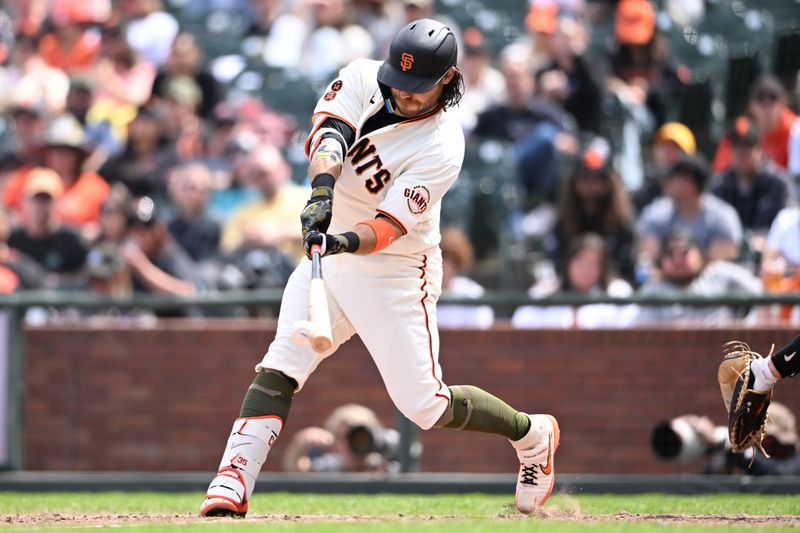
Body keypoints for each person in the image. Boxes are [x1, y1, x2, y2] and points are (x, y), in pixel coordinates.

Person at [200, 19, 560, 518]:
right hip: (330, 256)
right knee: (284, 359)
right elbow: (330, 136)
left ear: (448, 80)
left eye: (418, 88)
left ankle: (531, 433)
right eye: (400, 81)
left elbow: (387, 228)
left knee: (425, 405)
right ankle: (231, 480)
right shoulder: (363, 76)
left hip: (394, 270)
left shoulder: (442, 144)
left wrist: (340, 238)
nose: (404, 94)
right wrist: (322, 192)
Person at [635, 156, 742, 282]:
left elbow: (718, 268)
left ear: (689, 184)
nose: (665, 182)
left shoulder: (722, 216)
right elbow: (645, 263)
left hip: (709, 290)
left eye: (672, 178)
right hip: (666, 286)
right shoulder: (657, 213)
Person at [633, 231, 762, 326]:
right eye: (670, 253)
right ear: (661, 260)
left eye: (684, 252)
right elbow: (641, 331)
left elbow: (763, 293)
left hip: (724, 351)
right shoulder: (652, 290)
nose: (678, 259)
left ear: (699, 253)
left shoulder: (720, 273)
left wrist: (746, 326)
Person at [512, 233, 635, 329]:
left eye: (593, 264)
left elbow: (628, 324)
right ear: (568, 264)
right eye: (580, 262)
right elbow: (520, 320)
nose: (586, 270)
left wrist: (581, 319)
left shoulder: (617, 290)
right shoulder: (548, 290)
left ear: (603, 268)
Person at [710, 116, 794, 254]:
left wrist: (764, 240)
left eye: (747, 147)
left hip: (770, 257)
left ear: (760, 149)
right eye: (736, 146)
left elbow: (789, 227)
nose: (741, 153)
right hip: (729, 256)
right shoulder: (720, 184)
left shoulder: (779, 183)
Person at [282, 403, 398, 473]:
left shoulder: (384, 466)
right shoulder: (331, 467)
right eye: (341, 438)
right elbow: (297, 470)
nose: (347, 445)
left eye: (357, 437)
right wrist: (301, 442)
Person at [438, 226, 494, 330]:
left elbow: (484, 323)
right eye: (441, 256)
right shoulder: (418, 292)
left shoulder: (473, 292)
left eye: (452, 260)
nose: (444, 264)